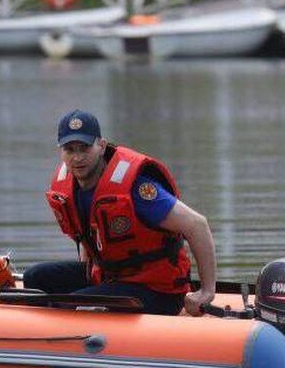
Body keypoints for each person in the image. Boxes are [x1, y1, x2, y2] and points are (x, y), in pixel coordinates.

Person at [25, 109, 218, 316]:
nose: (78, 157)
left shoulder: (135, 188)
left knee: (71, 305)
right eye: (70, 149)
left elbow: (197, 224)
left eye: (85, 148)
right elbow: (89, 235)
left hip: (156, 289)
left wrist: (206, 292)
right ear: (61, 152)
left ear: (101, 146)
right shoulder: (70, 188)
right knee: (34, 278)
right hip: (111, 277)